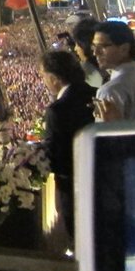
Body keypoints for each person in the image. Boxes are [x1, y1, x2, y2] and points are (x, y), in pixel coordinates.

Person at [40, 50, 97, 239]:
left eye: (44, 75)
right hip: (100, 177)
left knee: (80, 235)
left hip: (73, 185)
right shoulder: (96, 93)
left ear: (55, 78)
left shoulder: (57, 110)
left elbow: (56, 153)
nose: (44, 81)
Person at [90, 21, 135, 121]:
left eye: (102, 47)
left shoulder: (110, 90)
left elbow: (105, 129)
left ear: (124, 49)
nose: (95, 52)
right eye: (94, 46)